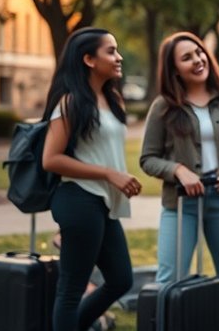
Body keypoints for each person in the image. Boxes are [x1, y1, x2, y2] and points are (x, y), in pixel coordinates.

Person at [140, 32, 219, 284]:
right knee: (169, 279)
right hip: (182, 203)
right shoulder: (164, 106)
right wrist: (178, 171)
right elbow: (148, 158)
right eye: (186, 58)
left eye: (199, 52)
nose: (197, 60)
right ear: (175, 70)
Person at [41, 27, 138, 331]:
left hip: (102, 202)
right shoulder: (70, 103)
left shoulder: (112, 99)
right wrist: (110, 174)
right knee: (71, 290)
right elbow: (51, 160)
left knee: (121, 279)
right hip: (79, 199)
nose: (118, 57)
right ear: (88, 59)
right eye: (110, 51)